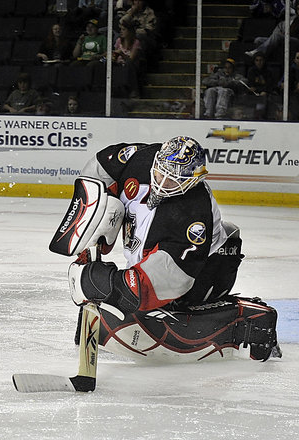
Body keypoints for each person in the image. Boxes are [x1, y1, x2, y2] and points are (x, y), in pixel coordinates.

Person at [62, 136, 280, 361]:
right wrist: (90, 234)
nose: (162, 182)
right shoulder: (141, 159)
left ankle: (242, 321)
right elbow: (98, 173)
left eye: (173, 180)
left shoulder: (193, 212)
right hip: (159, 260)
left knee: (155, 303)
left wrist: (110, 284)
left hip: (207, 270)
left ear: (194, 179)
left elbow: (171, 277)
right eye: (160, 173)